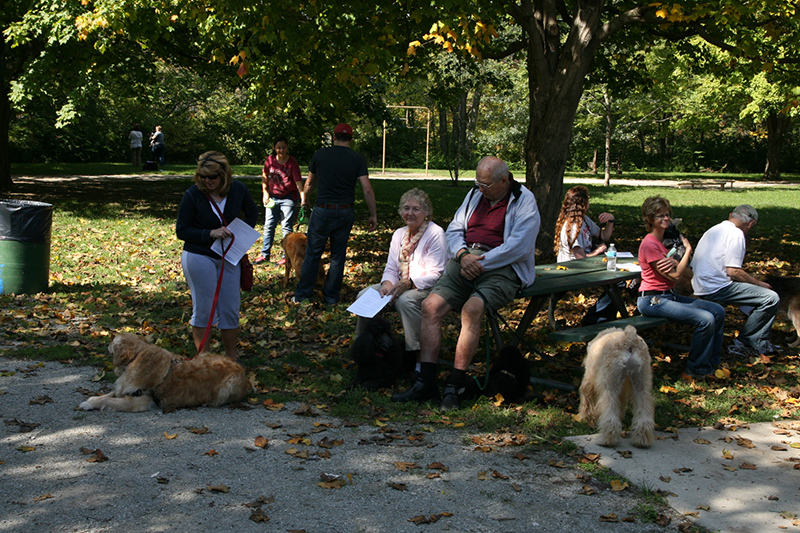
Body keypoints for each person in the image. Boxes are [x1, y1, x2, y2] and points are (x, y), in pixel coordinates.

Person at [392, 156, 540, 411]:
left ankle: (454, 385)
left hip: (501, 267)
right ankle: (425, 383)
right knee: (430, 307)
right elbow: (454, 229)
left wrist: (479, 262)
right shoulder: (475, 194)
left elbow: (518, 246)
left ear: (504, 181)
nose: (480, 189)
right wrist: (462, 256)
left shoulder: (524, 201)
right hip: (465, 261)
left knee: (472, 309)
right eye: (478, 184)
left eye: (485, 185)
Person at [176, 151, 258, 360]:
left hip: (229, 256)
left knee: (230, 308)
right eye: (203, 176)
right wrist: (210, 233)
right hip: (199, 255)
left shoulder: (238, 189)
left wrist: (239, 234)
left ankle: (231, 360)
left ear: (224, 175)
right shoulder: (193, 194)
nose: (207, 181)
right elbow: (182, 230)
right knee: (204, 308)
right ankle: (204, 360)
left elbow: (252, 213)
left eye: (212, 177)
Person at [636, 196, 725, 381]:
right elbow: (676, 276)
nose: (666, 219)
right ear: (650, 219)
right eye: (660, 216)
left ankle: (711, 363)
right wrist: (688, 249)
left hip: (669, 296)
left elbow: (677, 268)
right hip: (652, 300)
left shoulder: (665, 242)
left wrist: (678, 258)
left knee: (717, 310)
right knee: (705, 319)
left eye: (667, 215)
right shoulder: (649, 244)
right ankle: (695, 369)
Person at [354, 188, 448, 358]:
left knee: (405, 300)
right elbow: (391, 267)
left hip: (426, 287)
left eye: (416, 209)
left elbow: (437, 274)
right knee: (365, 295)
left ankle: (417, 353)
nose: (410, 213)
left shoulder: (435, 233)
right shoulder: (399, 234)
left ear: (426, 212)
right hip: (399, 284)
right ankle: (366, 349)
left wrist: (410, 283)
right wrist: (386, 284)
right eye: (406, 208)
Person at [293, 123, 378, 305]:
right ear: (351, 139)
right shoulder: (358, 159)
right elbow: (367, 190)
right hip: (345, 210)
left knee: (313, 253)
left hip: (323, 209)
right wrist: (373, 215)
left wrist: (305, 200)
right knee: (338, 256)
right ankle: (331, 297)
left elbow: (308, 184)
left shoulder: (320, 155)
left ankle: (303, 295)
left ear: (334, 136)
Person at [691, 205, 780, 357]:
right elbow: (734, 272)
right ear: (751, 224)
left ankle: (754, 337)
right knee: (770, 297)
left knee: (751, 293)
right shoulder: (736, 234)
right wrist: (759, 284)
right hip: (715, 288)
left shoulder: (714, 229)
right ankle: (747, 342)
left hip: (699, 283)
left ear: (731, 214)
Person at [553, 185, 617, 325]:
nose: (589, 202)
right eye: (587, 200)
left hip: (586, 265)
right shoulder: (572, 227)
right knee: (616, 281)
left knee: (617, 280)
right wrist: (598, 251)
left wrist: (610, 220)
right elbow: (580, 260)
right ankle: (595, 319)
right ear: (582, 204)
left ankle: (602, 318)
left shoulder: (585, 220)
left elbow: (604, 236)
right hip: (573, 270)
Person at [254, 136, 304, 265]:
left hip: (288, 198)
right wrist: (265, 193)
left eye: (283, 147)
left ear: (287, 148)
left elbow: (298, 182)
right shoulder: (270, 160)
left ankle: (286, 256)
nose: (281, 150)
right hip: (273, 197)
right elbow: (265, 176)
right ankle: (265, 254)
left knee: (286, 227)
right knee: (269, 225)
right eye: (278, 147)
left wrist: (303, 197)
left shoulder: (292, 163)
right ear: (274, 148)